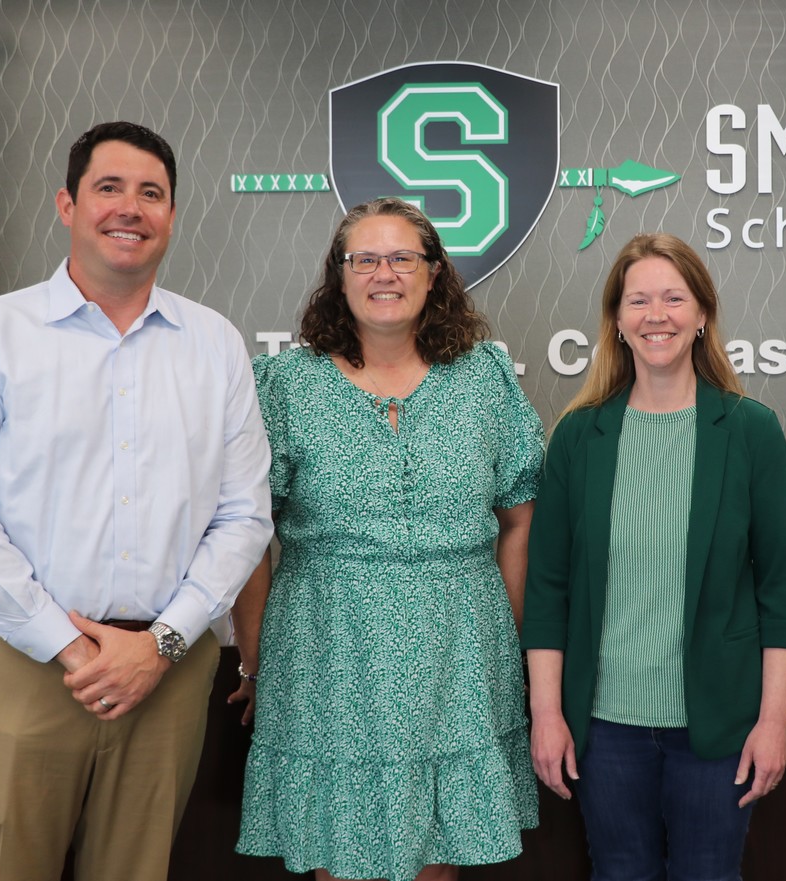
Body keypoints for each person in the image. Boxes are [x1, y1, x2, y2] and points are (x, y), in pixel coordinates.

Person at [0, 121, 273, 881]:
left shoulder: (214, 344)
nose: (130, 208)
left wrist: (161, 646)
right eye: (108, 188)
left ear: (172, 215)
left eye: (152, 193)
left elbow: (244, 515)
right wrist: (74, 648)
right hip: (26, 666)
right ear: (67, 204)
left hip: (167, 676)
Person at [229, 197, 544, 881]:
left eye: (403, 257)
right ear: (338, 278)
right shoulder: (283, 384)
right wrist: (255, 663)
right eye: (364, 258)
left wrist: (507, 646)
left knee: (438, 861)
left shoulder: (485, 377)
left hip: (459, 652)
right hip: (327, 650)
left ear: (435, 274)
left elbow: (520, 515)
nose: (384, 272)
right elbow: (249, 534)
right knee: (340, 857)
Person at [522, 233, 786, 881]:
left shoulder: (750, 431)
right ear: (617, 322)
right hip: (604, 726)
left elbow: (781, 597)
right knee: (620, 871)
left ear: (703, 314)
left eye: (675, 298)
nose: (658, 315)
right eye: (639, 300)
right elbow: (548, 589)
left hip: (721, 722)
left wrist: (773, 721)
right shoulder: (579, 434)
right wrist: (546, 713)